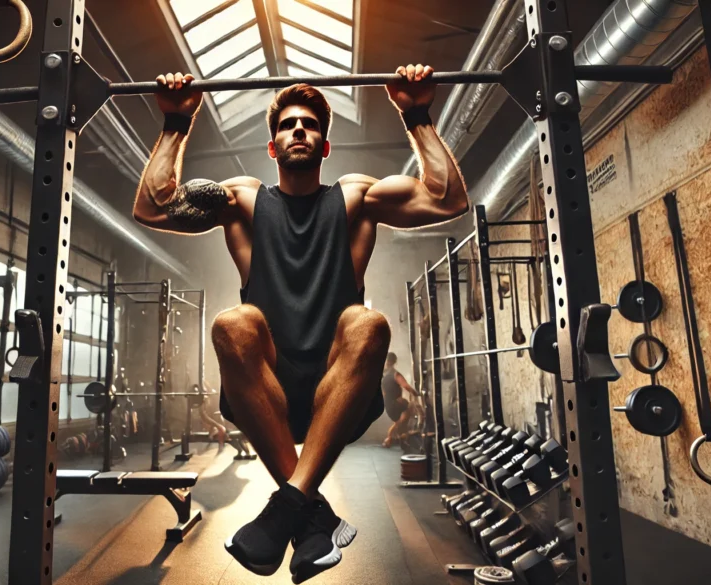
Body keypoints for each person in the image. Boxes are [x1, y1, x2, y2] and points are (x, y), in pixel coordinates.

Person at [133, 64, 469, 581]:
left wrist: (417, 114)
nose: (298, 130)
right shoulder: (244, 201)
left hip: (338, 392)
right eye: (288, 125)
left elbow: (447, 198)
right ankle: (310, 515)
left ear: (324, 146)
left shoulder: (355, 198)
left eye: (309, 125)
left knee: (367, 322)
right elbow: (153, 209)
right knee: (233, 322)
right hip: (267, 391)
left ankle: (287, 511)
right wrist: (178, 122)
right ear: (272, 148)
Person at [380, 352, 423, 448]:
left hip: (388, 405)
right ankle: (392, 438)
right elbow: (405, 385)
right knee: (410, 409)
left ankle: (394, 439)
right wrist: (416, 393)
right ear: (395, 361)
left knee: (400, 421)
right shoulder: (395, 374)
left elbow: (383, 393)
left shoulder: (383, 376)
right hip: (395, 404)